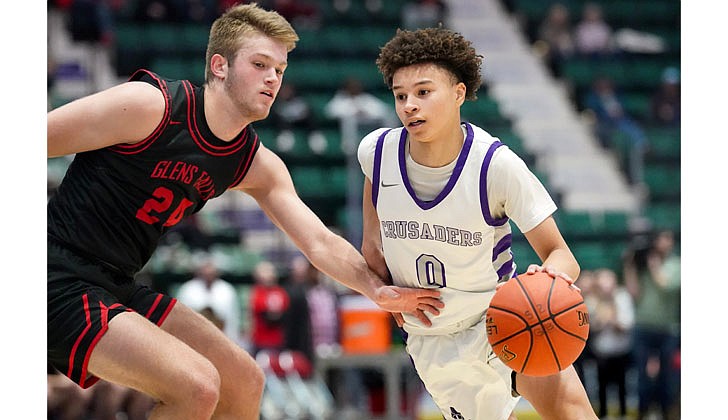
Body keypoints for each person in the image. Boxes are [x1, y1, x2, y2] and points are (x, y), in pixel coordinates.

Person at [47, 4, 443, 419]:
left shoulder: (252, 162)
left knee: (243, 382)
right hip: (57, 275)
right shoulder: (150, 106)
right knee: (197, 387)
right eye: (260, 64)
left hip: (118, 283)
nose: (273, 78)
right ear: (219, 65)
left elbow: (320, 241)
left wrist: (377, 291)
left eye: (280, 69)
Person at [357, 27, 598, 420]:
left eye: (423, 91)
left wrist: (548, 278)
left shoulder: (495, 165)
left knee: (574, 413)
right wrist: (387, 293)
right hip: (433, 340)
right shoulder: (377, 153)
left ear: (458, 93)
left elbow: (561, 254)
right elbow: (373, 247)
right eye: (400, 95)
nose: (409, 106)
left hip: (502, 320)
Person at [624, 229, 680, 420]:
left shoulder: (676, 264)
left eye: (667, 239)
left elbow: (666, 285)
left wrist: (654, 266)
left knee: (667, 377)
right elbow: (633, 293)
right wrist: (630, 266)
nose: (663, 243)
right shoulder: (643, 265)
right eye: (660, 238)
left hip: (667, 328)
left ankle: (666, 413)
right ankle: (642, 413)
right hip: (642, 326)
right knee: (641, 375)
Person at [589, 267, 634, 419]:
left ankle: (623, 414)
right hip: (601, 351)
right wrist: (600, 321)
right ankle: (603, 415)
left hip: (620, 350)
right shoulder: (592, 300)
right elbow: (590, 327)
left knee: (622, 386)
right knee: (601, 387)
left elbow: (627, 324)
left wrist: (614, 320)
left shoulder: (622, 297)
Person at [175, 256, 243, 343]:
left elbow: (233, 317)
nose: (208, 274)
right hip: (194, 337)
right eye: (205, 271)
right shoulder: (188, 289)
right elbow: (181, 316)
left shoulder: (227, 290)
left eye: (211, 271)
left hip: (222, 337)